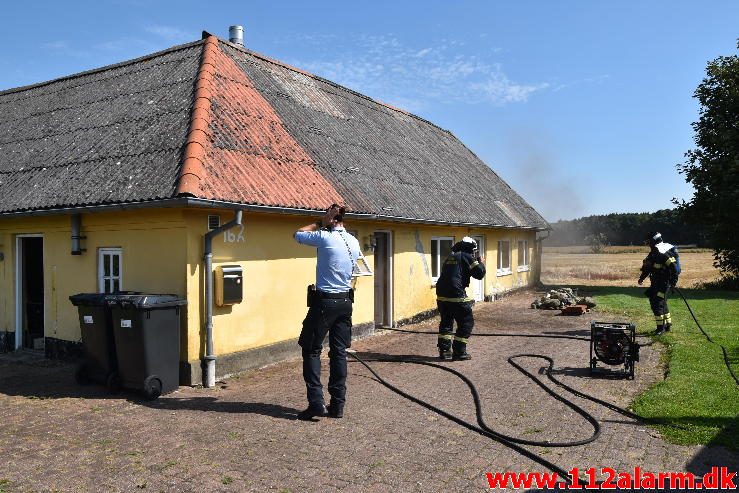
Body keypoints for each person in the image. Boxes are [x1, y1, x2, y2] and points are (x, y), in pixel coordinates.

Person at [294, 204, 361, 420]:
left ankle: (316, 403)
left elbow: (297, 234)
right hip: (345, 302)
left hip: (325, 303)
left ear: (331, 218)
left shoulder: (324, 236)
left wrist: (319, 222)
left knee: (311, 349)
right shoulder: (353, 241)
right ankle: (338, 405)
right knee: (338, 353)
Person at [435, 236, 486, 360]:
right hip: (456, 294)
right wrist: (481, 263)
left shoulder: (451, 257)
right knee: (466, 323)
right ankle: (459, 352)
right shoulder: (467, 256)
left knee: (446, 323)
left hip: (441, 294)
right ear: (470, 248)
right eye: (474, 250)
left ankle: (445, 351)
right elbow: (479, 274)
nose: (474, 252)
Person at [638, 231, 681, 335]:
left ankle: (660, 329)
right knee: (661, 303)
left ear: (654, 240)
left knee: (657, 304)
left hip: (663, 283)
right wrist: (642, 278)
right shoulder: (654, 252)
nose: (648, 244)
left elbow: (674, 268)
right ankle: (667, 325)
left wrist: (673, 283)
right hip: (656, 283)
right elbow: (648, 266)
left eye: (649, 241)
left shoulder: (662, 252)